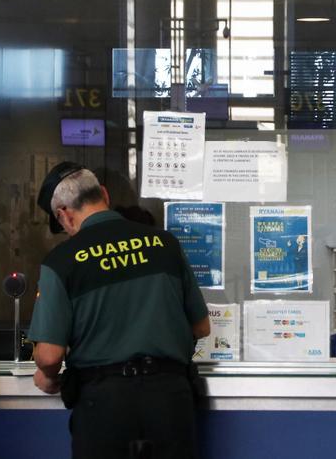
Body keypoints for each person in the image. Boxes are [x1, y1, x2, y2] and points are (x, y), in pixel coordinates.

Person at [30, 162, 211, 459]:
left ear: (63, 214)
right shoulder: (164, 244)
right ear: (103, 193)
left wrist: (46, 376)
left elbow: (49, 355)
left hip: (104, 406)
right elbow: (201, 327)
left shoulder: (60, 262)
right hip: (170, 400)